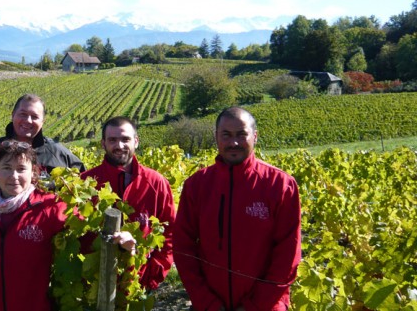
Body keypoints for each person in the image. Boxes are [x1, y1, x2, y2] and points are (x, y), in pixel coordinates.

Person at [173, 107, 302, 311]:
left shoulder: (280, 184)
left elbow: (288, 256)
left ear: (255, 136)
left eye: (241, 135)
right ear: (216, 137)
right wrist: (208, 303)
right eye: (226, 135)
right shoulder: (197, 185)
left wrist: (254, 306)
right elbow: (183, 248)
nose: (234, 142)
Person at [0, 139, 67, 311]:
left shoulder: (49, 208)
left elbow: (85, 235)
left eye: (21, 169)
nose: (14, 176)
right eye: (7, 168)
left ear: (33, 173)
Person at [80, 116, 175, 290]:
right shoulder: (86, 183)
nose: (119, 146)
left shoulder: (156, 183)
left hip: (139, 284)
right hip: (92, 287)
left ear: (136, 141)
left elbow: (169, 234)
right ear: (103, 144)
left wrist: (150, 277)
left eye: (125, 139)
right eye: (112, 140)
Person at [0, 93, 85, 212]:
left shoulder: (60, 156)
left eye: (35, 117)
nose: (28, 120)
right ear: (12, 115)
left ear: (43, 121)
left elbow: (82, 191)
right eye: (23, 114)